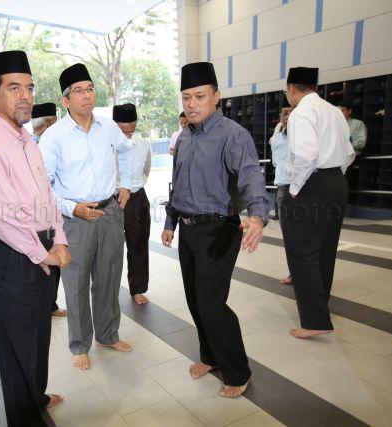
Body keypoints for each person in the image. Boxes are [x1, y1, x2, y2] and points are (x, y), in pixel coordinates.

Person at [0, 50, 70, 426]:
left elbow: (48, 197)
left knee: (38, 339)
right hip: (10, 258)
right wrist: (42, 253)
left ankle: (35, 398)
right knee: (16, 351)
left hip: (40, 250)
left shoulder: (28, 141)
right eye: (13, 88)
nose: (25, 96)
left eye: (29, 87)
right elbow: (0, 215)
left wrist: (59, 239)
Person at [161, 62, 268, 398]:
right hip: (189, 230)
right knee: (195, 300)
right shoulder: (184, 137)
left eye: (200, 96)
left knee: (211, 303)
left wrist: (258, 215)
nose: (191, 104)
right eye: (187, 97)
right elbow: (177, 184)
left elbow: (251, 176)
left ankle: (238, 370)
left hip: (219, 229)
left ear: (216, 97)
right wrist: (170, 222)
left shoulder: (232, 135)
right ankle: (211, 357)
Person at [39, 63, 134, 371]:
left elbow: (129, 151)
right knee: (76, 282)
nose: (86, 95)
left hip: (109, 213)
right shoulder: (53, 137)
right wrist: (71, 208)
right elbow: (43, 186)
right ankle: (80, 344)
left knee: (109, 278)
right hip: (75, 218)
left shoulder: (108, 127)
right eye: (78, 91)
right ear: (65, 100)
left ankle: (108, 334)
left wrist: (127, 185)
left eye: (90, 89)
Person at [281, 67, 355, 339]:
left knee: (302, 252)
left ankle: (314, 320)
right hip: (336, 183)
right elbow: (348, 153)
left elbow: (306, 156)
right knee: (325, 249)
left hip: (311, 185)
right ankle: (319, 306)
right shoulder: (334, 111)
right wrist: (333, 178)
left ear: (291, 88)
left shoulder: (301, 113)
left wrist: (294, 191)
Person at [113, 103, 152, 305]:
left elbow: (146, 170)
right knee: (109, 251)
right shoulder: (106, 146)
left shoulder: (143, 145)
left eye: (131, 130)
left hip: (137, 201)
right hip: (112, 201)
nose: (127, 135)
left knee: (138, 247)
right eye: (122, 131)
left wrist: (133, 187)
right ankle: (107, 292)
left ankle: (137, 289)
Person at [31, 101, 67, 318]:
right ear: (41, 124)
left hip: (55, 214)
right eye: (52, 123)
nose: (55, 127)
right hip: (35, 217)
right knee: (40, 263)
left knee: (55, 263)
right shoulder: (29, 145)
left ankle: (50, 305)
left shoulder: (55, 142)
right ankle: (42, 306)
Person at [269, 106, 294, 285]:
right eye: (284, 114)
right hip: (282, 187)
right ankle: (294, 273)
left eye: (290, 114)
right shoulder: (277, 138)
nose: (286, 117)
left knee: (304, 233)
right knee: (289, 236)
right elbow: (275, 161)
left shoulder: (302, 136)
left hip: (301, 187)